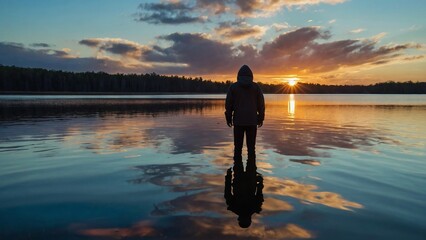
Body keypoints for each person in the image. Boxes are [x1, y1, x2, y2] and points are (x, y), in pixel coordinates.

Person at [225, 65, 265, 172]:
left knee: (237, 148)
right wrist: (261, 118)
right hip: (252, 122)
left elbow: (228, 104)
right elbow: (261, 104)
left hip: (238, 122)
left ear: (238, 76)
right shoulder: (256, 87)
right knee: (251, 149)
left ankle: (237, 171)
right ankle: (251, 172)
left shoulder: (233, 87)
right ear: (251, 76)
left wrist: (228, 118)